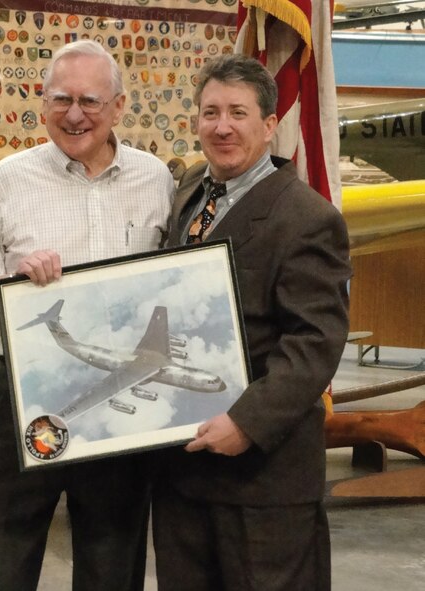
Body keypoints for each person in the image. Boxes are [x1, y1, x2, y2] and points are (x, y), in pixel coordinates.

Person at [0, 39, 174, 591]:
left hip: (119, 395)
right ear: (42, 104)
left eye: (91, 101)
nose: (75, 115)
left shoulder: (157, 181)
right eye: (61, 100)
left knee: (113, 556)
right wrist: (8, 288)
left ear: (119, 107)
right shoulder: (7, 180)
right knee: (5, 551)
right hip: (22, 388)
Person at [152, 54, 352, 591]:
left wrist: (247, 422)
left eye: (238, 113)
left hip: (263, 480)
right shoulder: (189, 193)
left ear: (269, 126)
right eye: (210, 111)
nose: (222, 127)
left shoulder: (308, 219)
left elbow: (315, 342)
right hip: (183, 471)